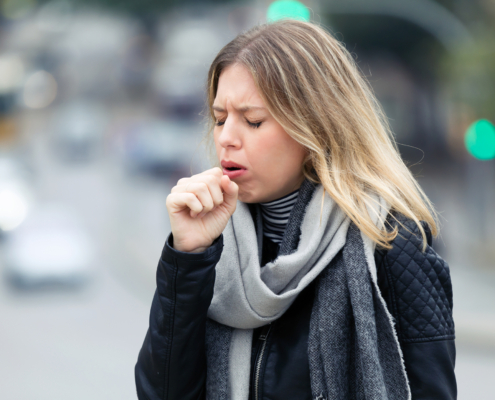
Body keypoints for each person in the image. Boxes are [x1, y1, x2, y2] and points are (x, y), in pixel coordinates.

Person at [135, 19, 456, 400]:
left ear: (315, 125)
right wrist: (187, 258)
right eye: (220, 119)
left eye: (253, 121)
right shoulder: (210, 246)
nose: (227, 138)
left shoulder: (393, 246)